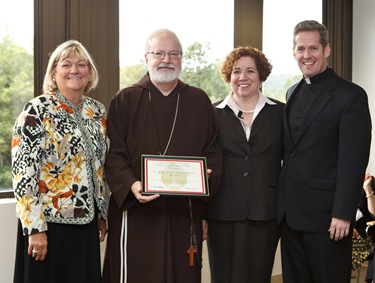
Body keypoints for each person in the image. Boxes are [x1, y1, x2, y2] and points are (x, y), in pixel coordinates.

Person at [101, 29, 223, 283]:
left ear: (181, 59)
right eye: (159, 53)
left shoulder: (199, 101)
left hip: (184, 213)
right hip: (136, 213)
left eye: (174, 54)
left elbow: (212, 151)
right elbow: (113, 156)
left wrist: (206, 177)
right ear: (146, 57)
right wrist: (133, 185)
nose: (166, 59)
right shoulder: (125, 100)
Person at [276, 20, 372, 283]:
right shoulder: (292, 91)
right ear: (294, 52)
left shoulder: (351, 96)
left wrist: (343, 213)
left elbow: (353, 161)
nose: (306, 55)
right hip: (291, 216)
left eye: (313, 48)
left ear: (327, 50)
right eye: (300, 49)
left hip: (328, 219)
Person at [11, 40, 109, 283]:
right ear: (54, 73)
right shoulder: (37, 110)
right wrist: (34, 228)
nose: (74, 70)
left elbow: (99, 168)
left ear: (90, 73)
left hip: (86, 225)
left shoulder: (97, 112)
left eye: (81, 64)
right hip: (47, 226)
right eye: (66, 64)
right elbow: (24, 173)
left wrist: (101, 213)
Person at [205, 46, 284, 283]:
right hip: (222, 212)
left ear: (261, 75)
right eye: (237, 71)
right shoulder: (212, 113)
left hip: (265, 212)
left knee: (258, 276)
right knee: (223, 276)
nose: (243, 77)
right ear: (229, 75)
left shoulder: (280, 112)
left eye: (250, 71)